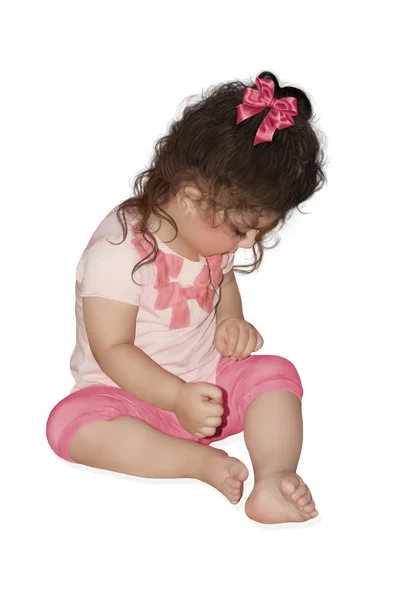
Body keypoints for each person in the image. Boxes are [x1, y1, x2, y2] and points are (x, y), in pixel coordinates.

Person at [46, 71, 326, 524]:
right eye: (242, 228)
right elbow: (111, 348)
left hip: (209, 391)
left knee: (276, 374)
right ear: (192, 198)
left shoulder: (210, 236)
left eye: (259, 230)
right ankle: (198, 463)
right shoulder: (119, 251)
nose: (247, 242)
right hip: (126, 398)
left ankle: (273, 478)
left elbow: (223, 285)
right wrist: (176, 398)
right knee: (69, 426)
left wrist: (230, 322)